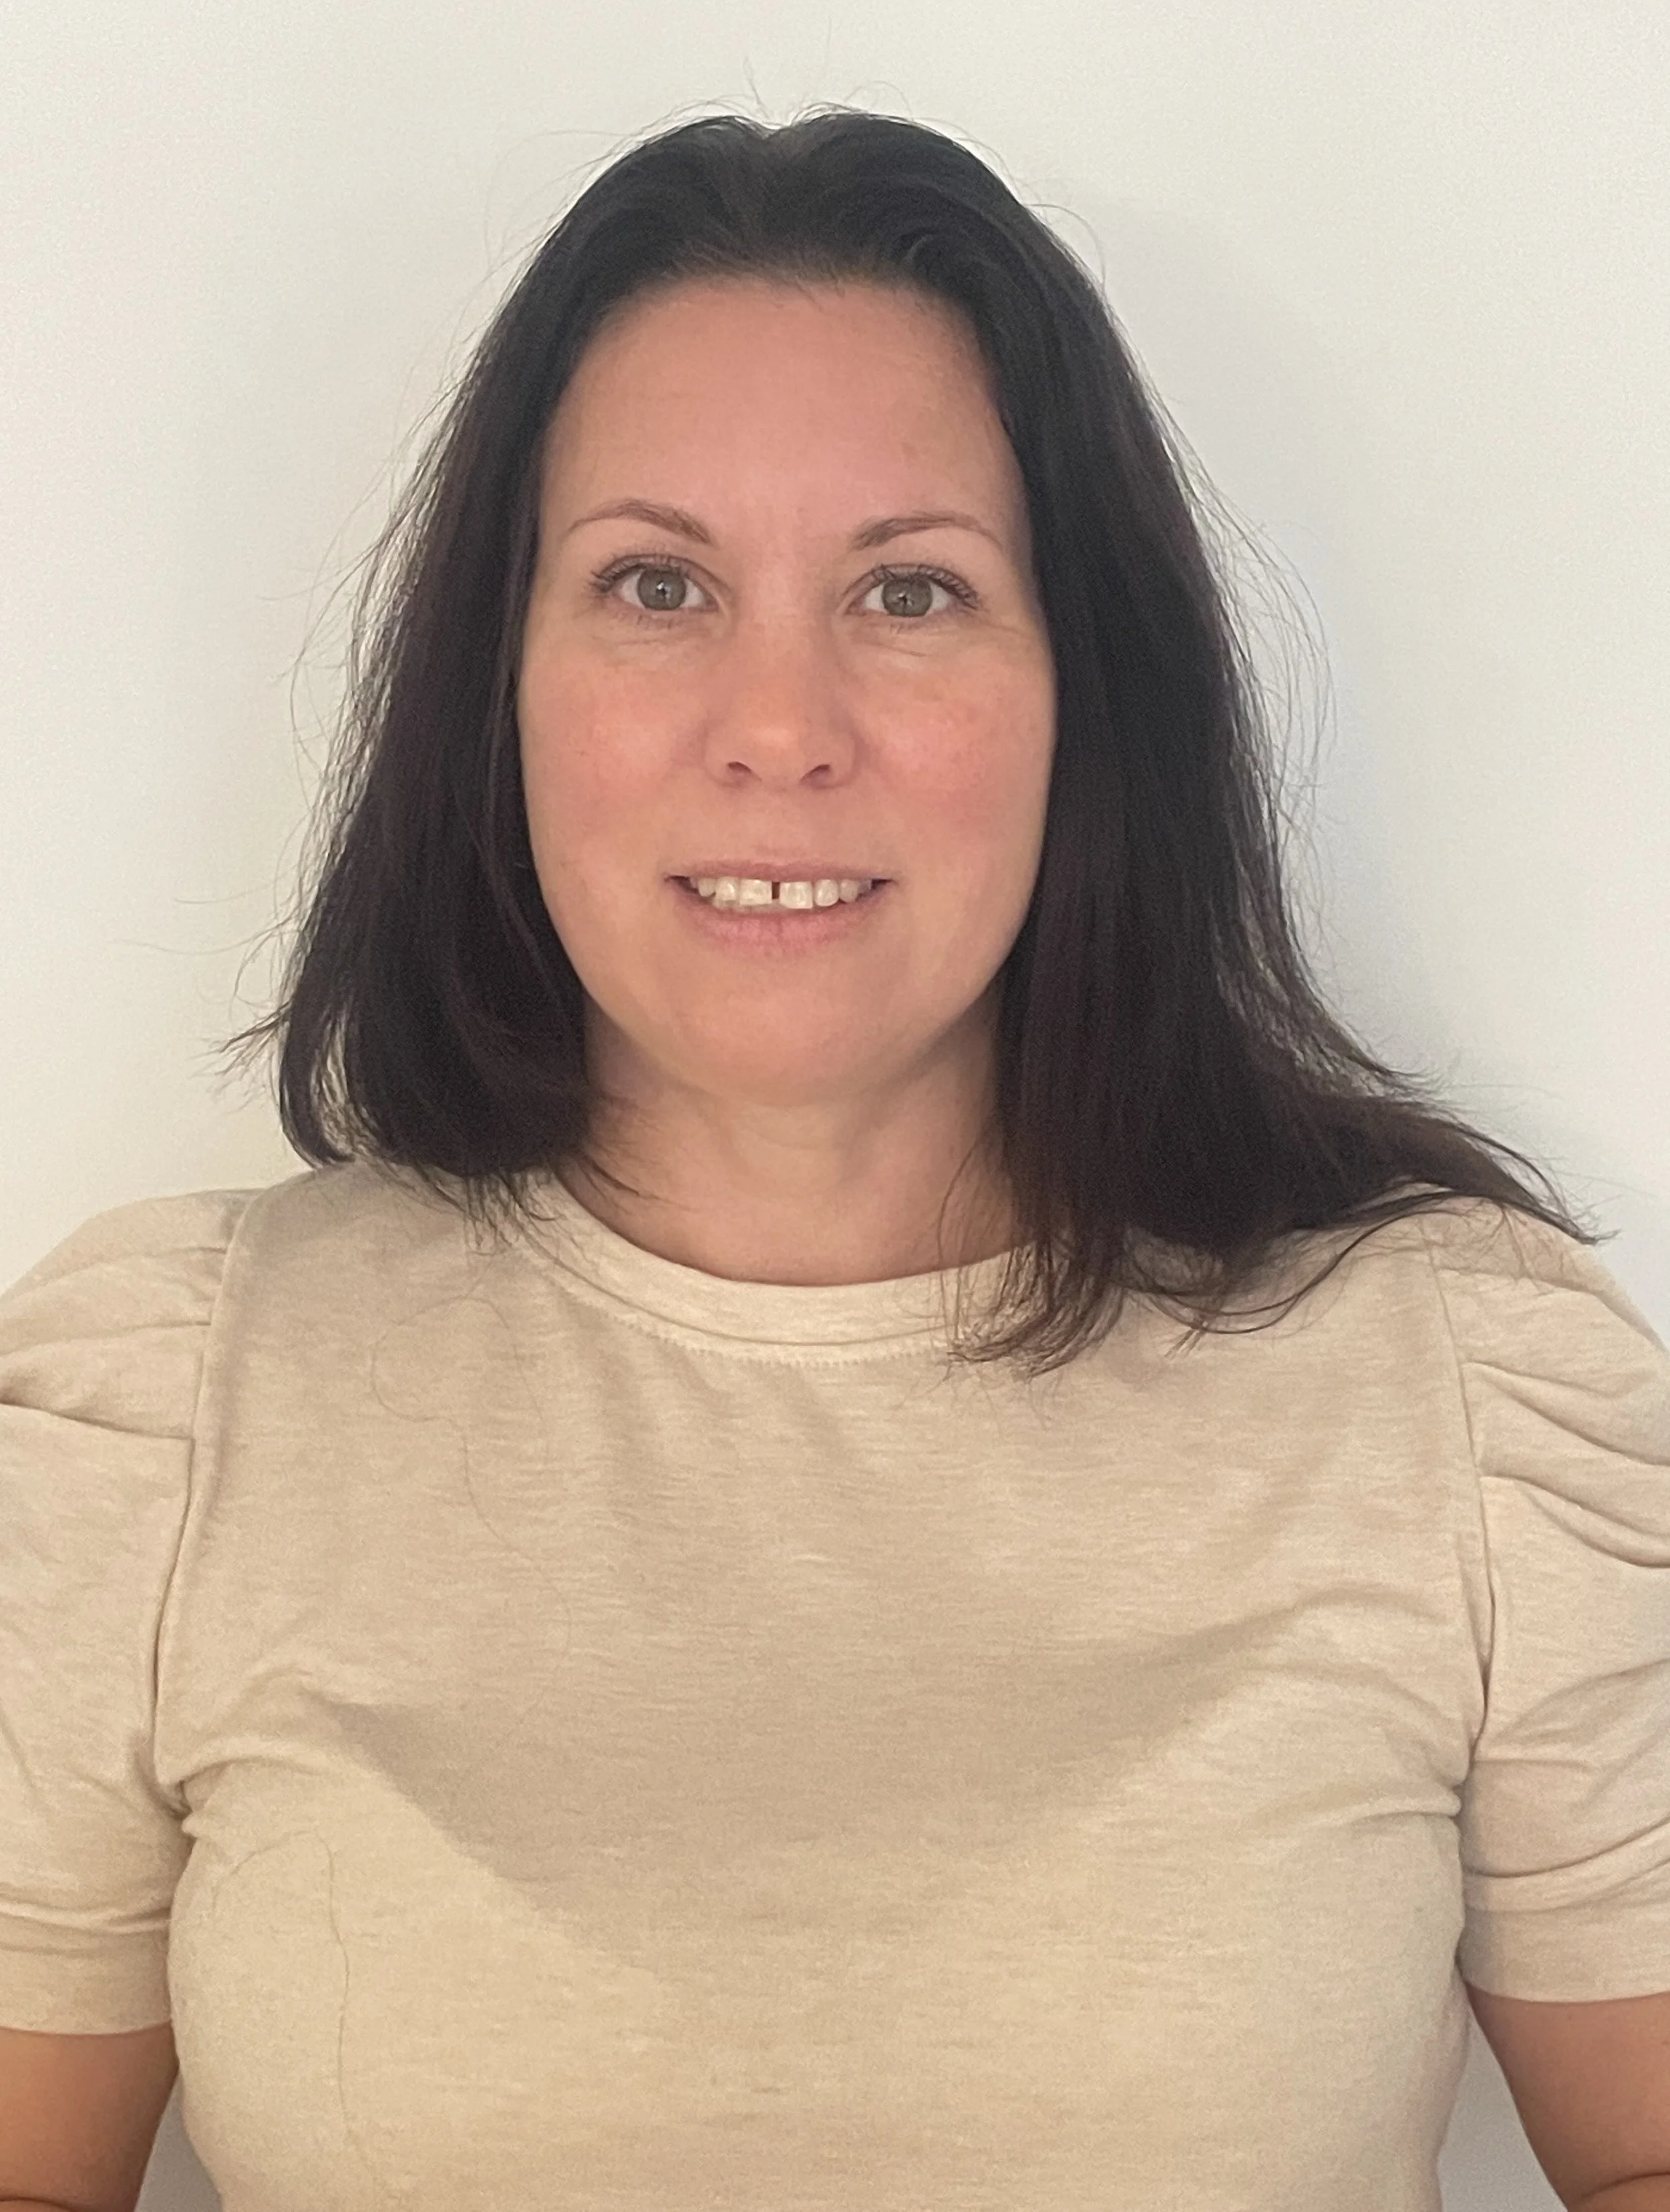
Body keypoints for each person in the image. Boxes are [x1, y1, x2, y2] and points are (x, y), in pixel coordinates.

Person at [2, 108, 1668, 2212]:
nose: (776, 721)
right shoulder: (162, 1413)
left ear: (1087, 693)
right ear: (493, 686)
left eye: (908, 587)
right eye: (655, 582)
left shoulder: (1465, 1396)